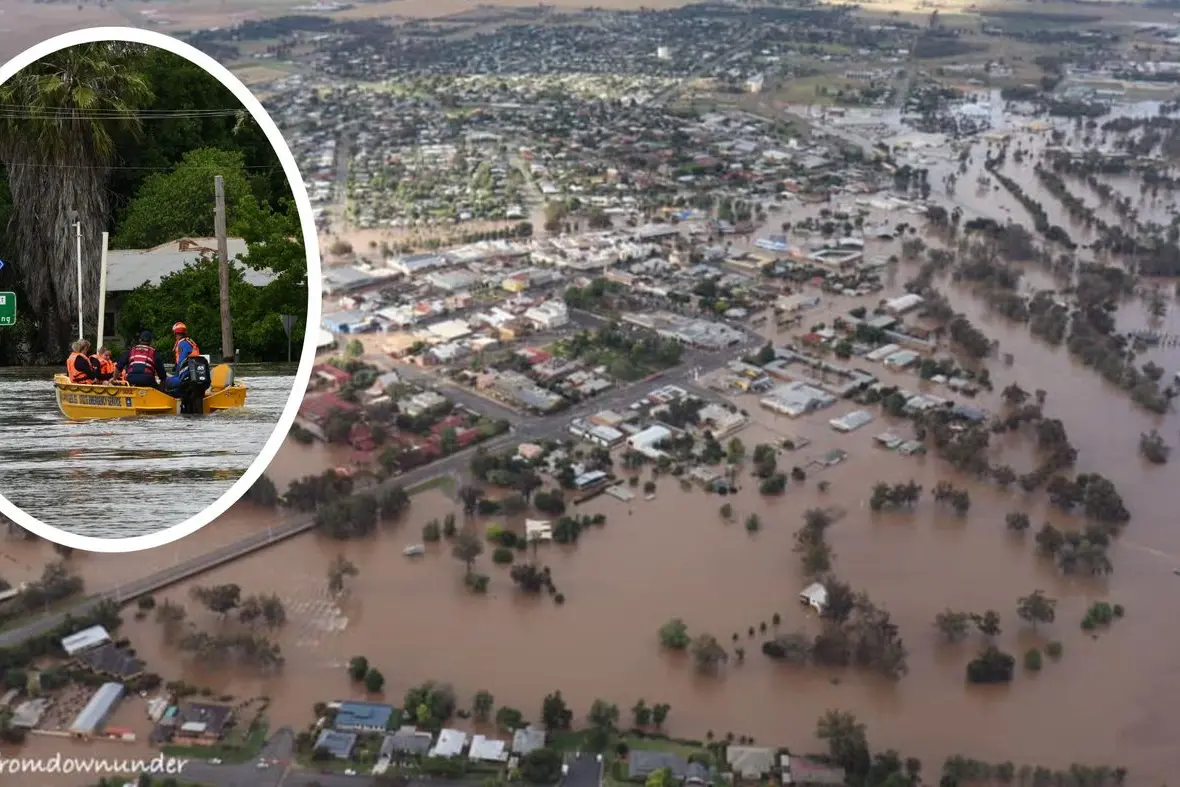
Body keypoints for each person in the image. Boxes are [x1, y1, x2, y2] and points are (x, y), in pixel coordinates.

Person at [167, 322, 201, 391]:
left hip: (185, 377)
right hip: (192, 375)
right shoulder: (189, 342)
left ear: (175, 333)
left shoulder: (182, 344)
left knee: (164, 382)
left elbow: (181, 362)